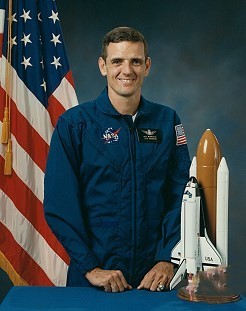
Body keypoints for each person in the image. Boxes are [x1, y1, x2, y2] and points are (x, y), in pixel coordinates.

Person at [44, 26, 191, 293]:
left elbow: (181, 196)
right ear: (103, 66)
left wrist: (169, 259)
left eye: (136, 61)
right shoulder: (76, 125)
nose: (127, 70)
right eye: (117, 61)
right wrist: (91, 268)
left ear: (147, 66)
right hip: (95, 279)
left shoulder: (167, 121)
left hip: (155, 279)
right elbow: (59, 205)